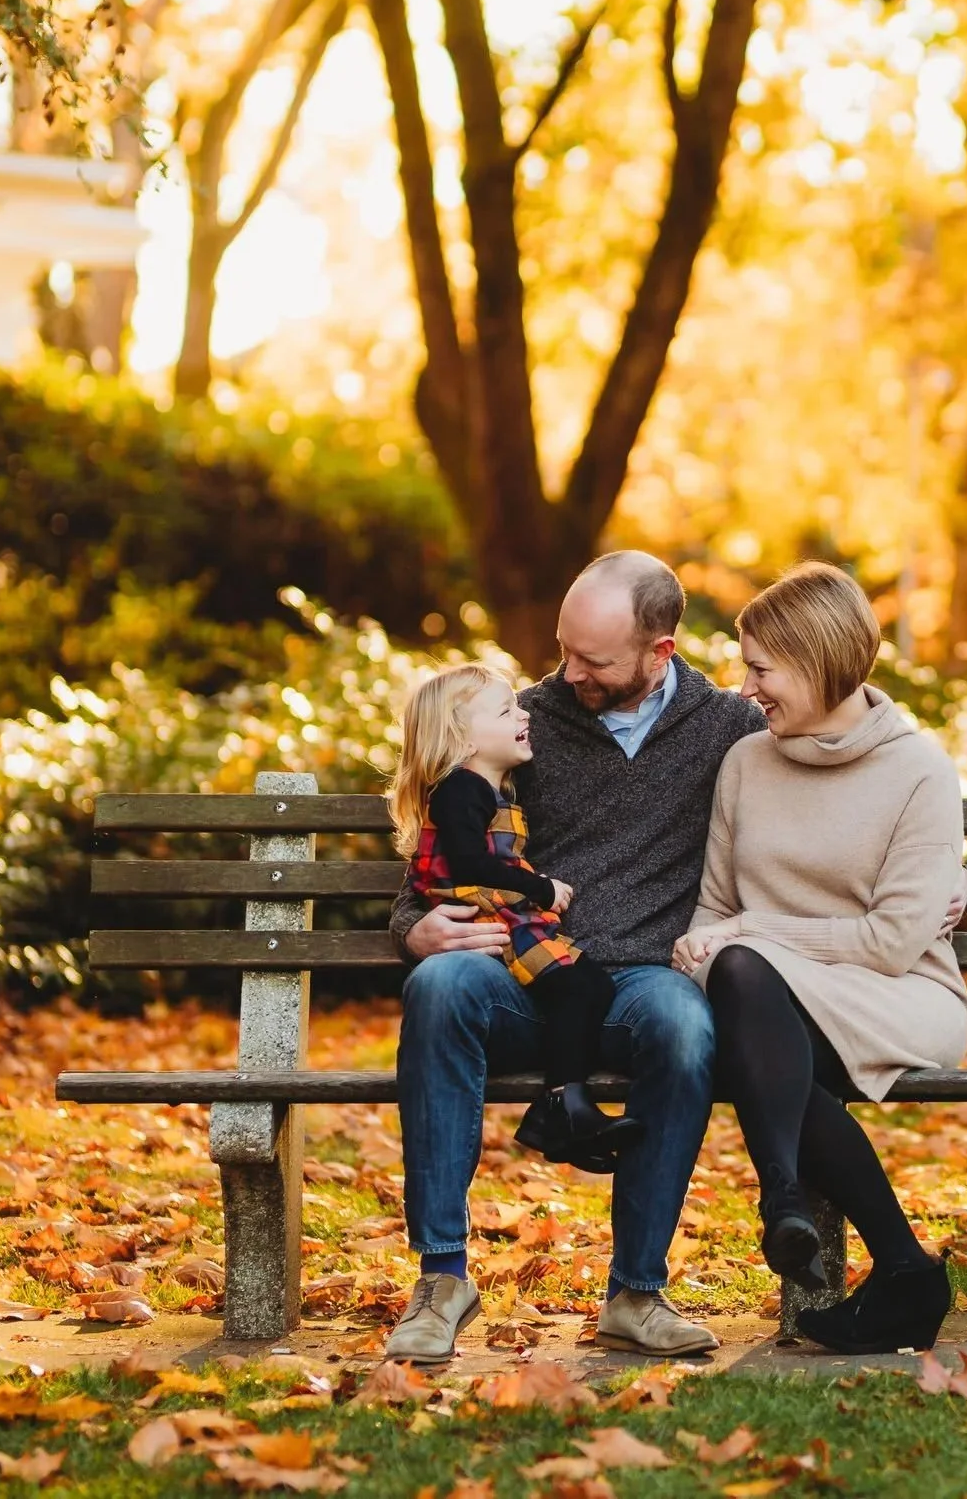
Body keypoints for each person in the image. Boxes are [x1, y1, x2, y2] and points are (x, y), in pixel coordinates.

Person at [385, 553, 766, 1365]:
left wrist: (949, 868)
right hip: (526, 973)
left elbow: (847, 755)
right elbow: (436, 854)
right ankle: (442, 1279)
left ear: (659, 652)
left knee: (684, 1026)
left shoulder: (729, 727)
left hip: (642, 981)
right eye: (564, 650)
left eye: (593, 660)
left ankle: (636, 1292)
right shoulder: (520, 721)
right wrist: (414, 928)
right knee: (441, 982)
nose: (568, 673)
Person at [673, 562, 967, 1354]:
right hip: (771, 1001)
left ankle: (799, 1211)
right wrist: (717, 946)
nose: (747, 688)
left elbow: (892, 941)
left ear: (817, 659)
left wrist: (751, 935)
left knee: (750, 991)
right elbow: (714, 912)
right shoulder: (745, 764)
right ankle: (879, 1253)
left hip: (899, 992)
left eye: (762, 669)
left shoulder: (919, 773)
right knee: (746, 991)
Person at [387, 664, 643, 1170]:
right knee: (579, 985)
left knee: (585, 984)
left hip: (500, 910)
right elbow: (469, 863)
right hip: (490, 915)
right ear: (462, 738)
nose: (524, 712)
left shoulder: (489, 789)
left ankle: (560, 1109)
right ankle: (562, 1107)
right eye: (506, 710)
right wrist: (540, 887)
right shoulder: (463, 789)